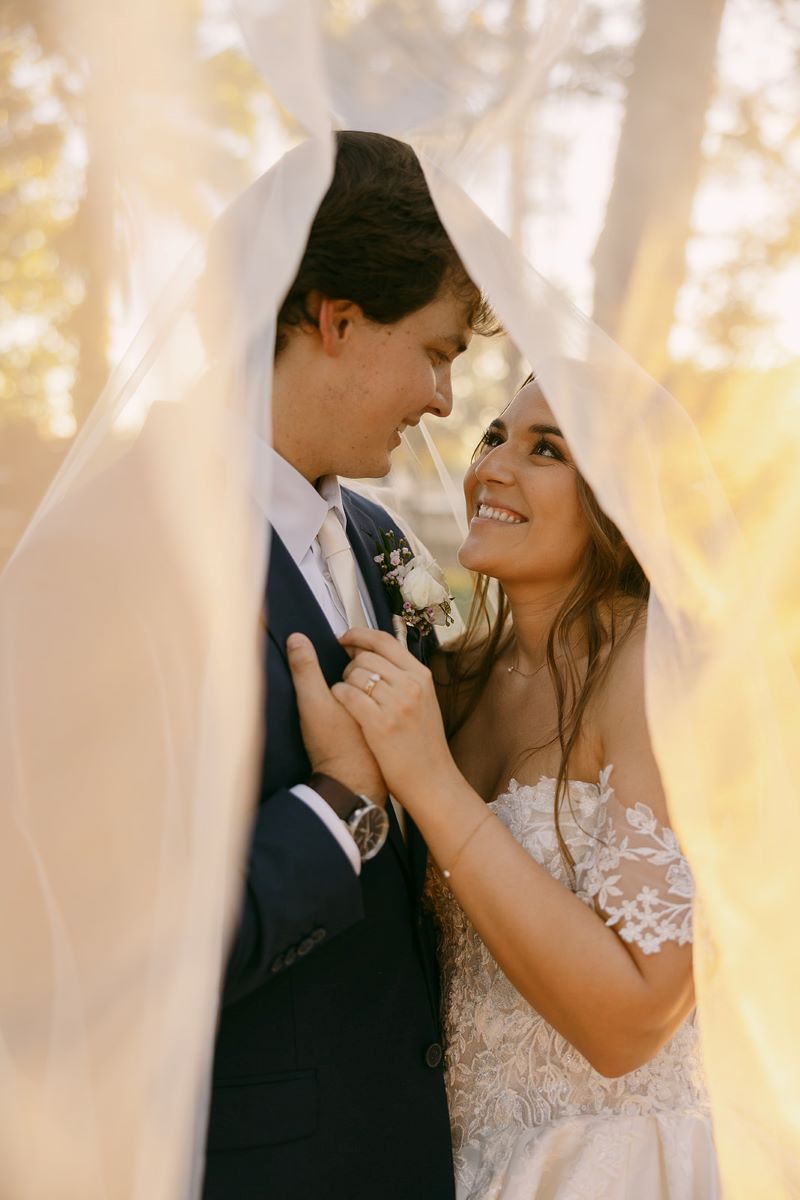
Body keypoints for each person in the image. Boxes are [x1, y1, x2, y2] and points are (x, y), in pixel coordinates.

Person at [289, 375, 720, 1198]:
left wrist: (430, 782)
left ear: (626, 499)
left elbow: (633, 1020)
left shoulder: (656, 672)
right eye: (494, 436)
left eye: (546, 449)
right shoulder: (453, 683)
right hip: (455, 1166)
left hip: (613, 1172)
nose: (492, 466)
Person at [202, 130, 496, 1200]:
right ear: (333, 318)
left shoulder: (372, 533)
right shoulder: (143, 552)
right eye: (435, 353)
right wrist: (340, 807)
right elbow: (98, 944)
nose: (440, 401)